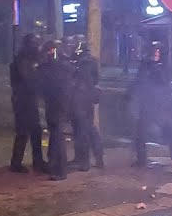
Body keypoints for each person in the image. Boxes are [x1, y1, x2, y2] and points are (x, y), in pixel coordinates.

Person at [10, 34, 46, 173]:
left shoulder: (29, 59)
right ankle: (16, 163)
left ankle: (38, 161)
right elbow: (28, 79)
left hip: (29, 99)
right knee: (23, 132)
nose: (37, 47)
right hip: (22, 100)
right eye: (35, 44)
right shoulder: (22, 60)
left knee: (36, 130)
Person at [68, 34, 104, 171]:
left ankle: (84, 161)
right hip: (83, 99)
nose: (71, 46)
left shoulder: (83, 62)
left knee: (83, 130)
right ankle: (93, 158)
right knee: (87, 129)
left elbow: (82, 80)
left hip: (81, 100)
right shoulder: (86, 60)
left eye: (74, 43)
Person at [130, 41, 169, 167]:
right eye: (154, 50)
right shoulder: (147, 64)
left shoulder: (160, 66)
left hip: (154, 103)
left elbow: (162, 82)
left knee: (164, 131)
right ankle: (141, 159)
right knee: (140, 133)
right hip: (147, 103)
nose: (155, 53)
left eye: (157, 51)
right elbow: (139, 81)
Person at [40, 39, 72, 180]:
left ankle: (61, 170)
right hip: (56, 104)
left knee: (57, 136)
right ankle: (54, 165)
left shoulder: (57, 67)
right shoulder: (64, 66)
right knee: (54, 135)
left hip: (58, 105)